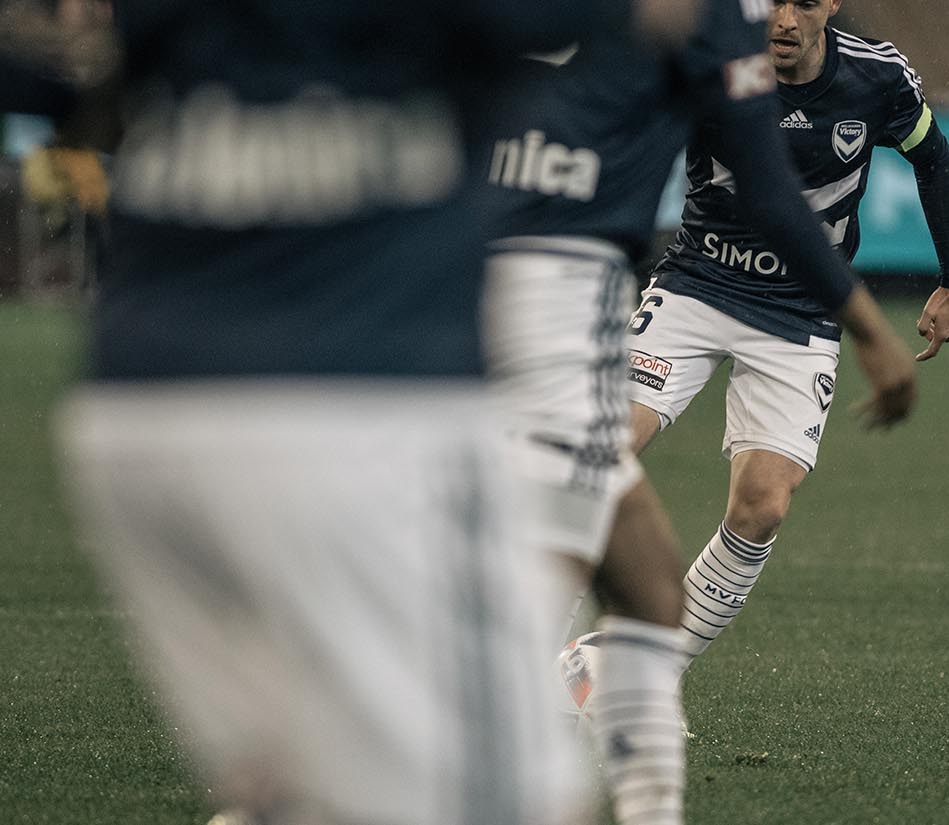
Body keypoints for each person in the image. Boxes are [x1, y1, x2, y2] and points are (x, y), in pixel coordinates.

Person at [47, 2, 703, 824]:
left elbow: (85, 86)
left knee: (305, 785)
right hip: (362, 405)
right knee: (510, 797)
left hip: (134, 415)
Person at [477, 0, 918, 820]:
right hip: (522, 310)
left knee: (650, 584)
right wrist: (868, 327)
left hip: (520, 308)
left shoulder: (722, 32)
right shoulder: (686, 32)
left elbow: (772, 187)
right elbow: (768, 188)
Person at [625, 0, 949, 670]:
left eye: (805, 2)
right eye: (773, 0)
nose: (785, 18)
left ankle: (647, 668)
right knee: (604, 450)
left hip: (799, 309)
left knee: (763, 505)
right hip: (696, 284)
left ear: (833, 3)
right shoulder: (712, 58)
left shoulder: (878, 76)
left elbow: (932, 159)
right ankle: (534, 662)